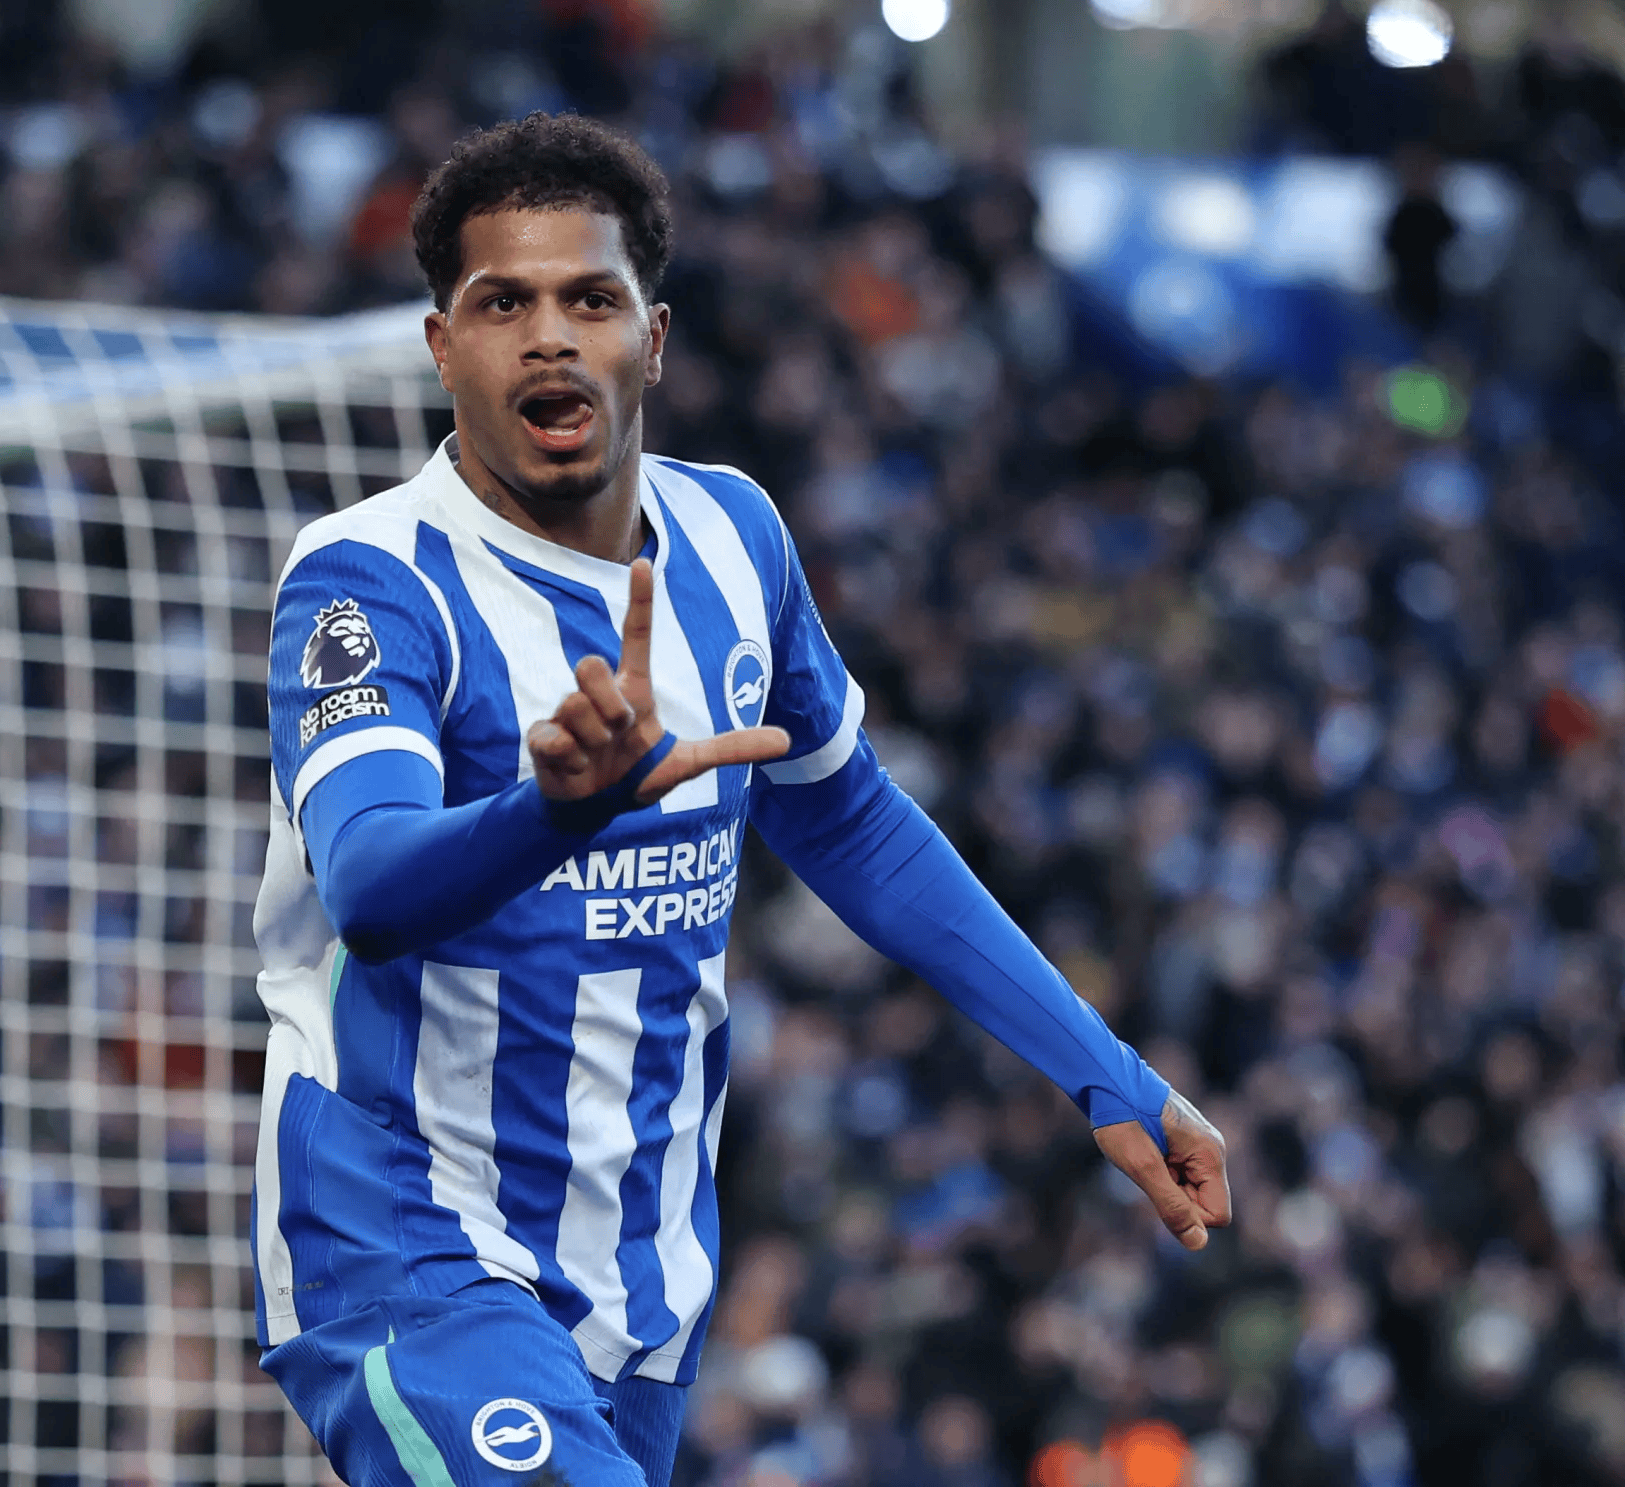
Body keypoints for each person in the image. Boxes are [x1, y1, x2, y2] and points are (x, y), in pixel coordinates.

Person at [248, 111, 1231, 1487]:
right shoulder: (368, 580)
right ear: (441, 345)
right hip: (406, 1238)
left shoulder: (734, 536)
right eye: (502, 303)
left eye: (591, 299)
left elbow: (851, 820)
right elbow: (368, 882)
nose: (549, 337)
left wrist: (1103, 1071)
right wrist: (556, 810)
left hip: (642, 1265)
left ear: (653, 339)